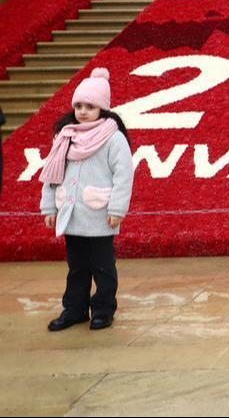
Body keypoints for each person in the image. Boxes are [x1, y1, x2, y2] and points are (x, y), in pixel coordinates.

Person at [39, 68, 134, 332]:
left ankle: (103, 310)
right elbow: (52, 172)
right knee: (77, 267)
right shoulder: (65, 136)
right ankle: (74, 309)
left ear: (102, 108)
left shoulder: (113, 138)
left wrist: (117, 208)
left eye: (90, 106)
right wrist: (49, 205)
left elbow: (124, 176)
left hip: (100, 215)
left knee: (103, 267)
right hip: (72, 215)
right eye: (79, 105)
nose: (82, 111)